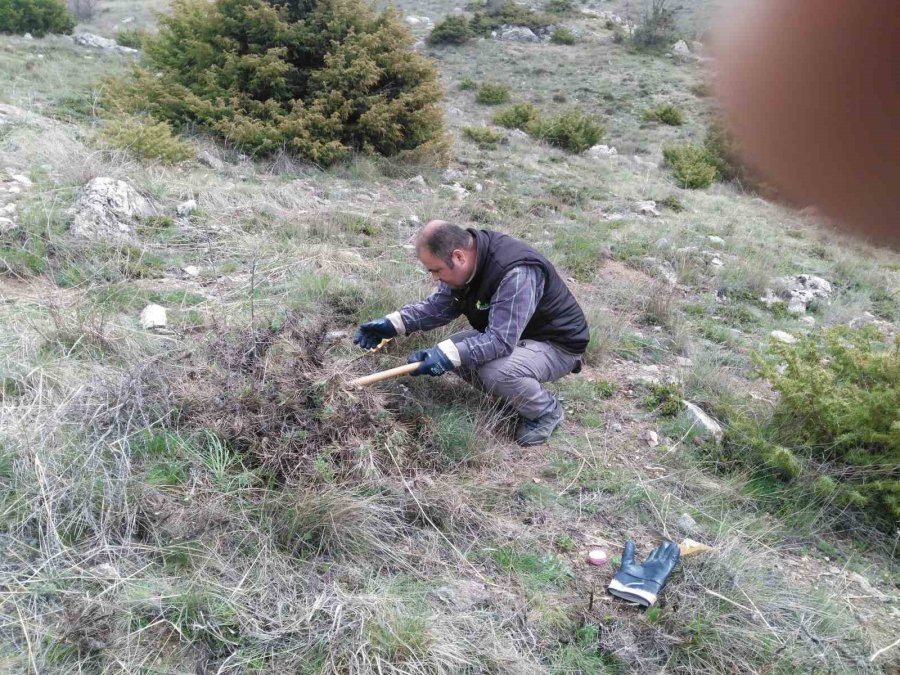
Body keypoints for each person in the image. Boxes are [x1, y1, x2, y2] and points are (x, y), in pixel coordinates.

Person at [353, 221, 590, 446]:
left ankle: (545, 412)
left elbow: (500, 341)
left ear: (458, 256)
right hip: (519, 335)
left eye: (437, 270)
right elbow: (440, 306)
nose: (435, 278)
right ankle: (515, 397)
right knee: (454, 351)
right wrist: (393, 323)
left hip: (557, 345)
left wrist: (448, 355)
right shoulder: (468, 264)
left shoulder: (515, 272)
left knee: (493, 371)